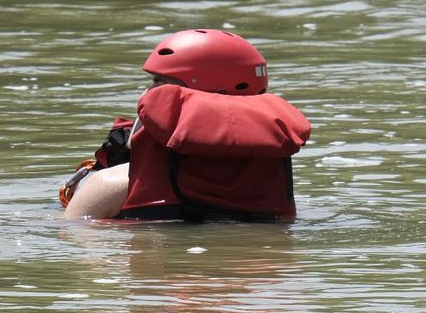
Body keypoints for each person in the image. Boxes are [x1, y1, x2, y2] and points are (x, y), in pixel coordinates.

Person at [61, 28, 311, 221]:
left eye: (158, 82)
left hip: (160, 284)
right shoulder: (271, 191)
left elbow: (76, 255)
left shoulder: (112, 184)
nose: (146, 93)